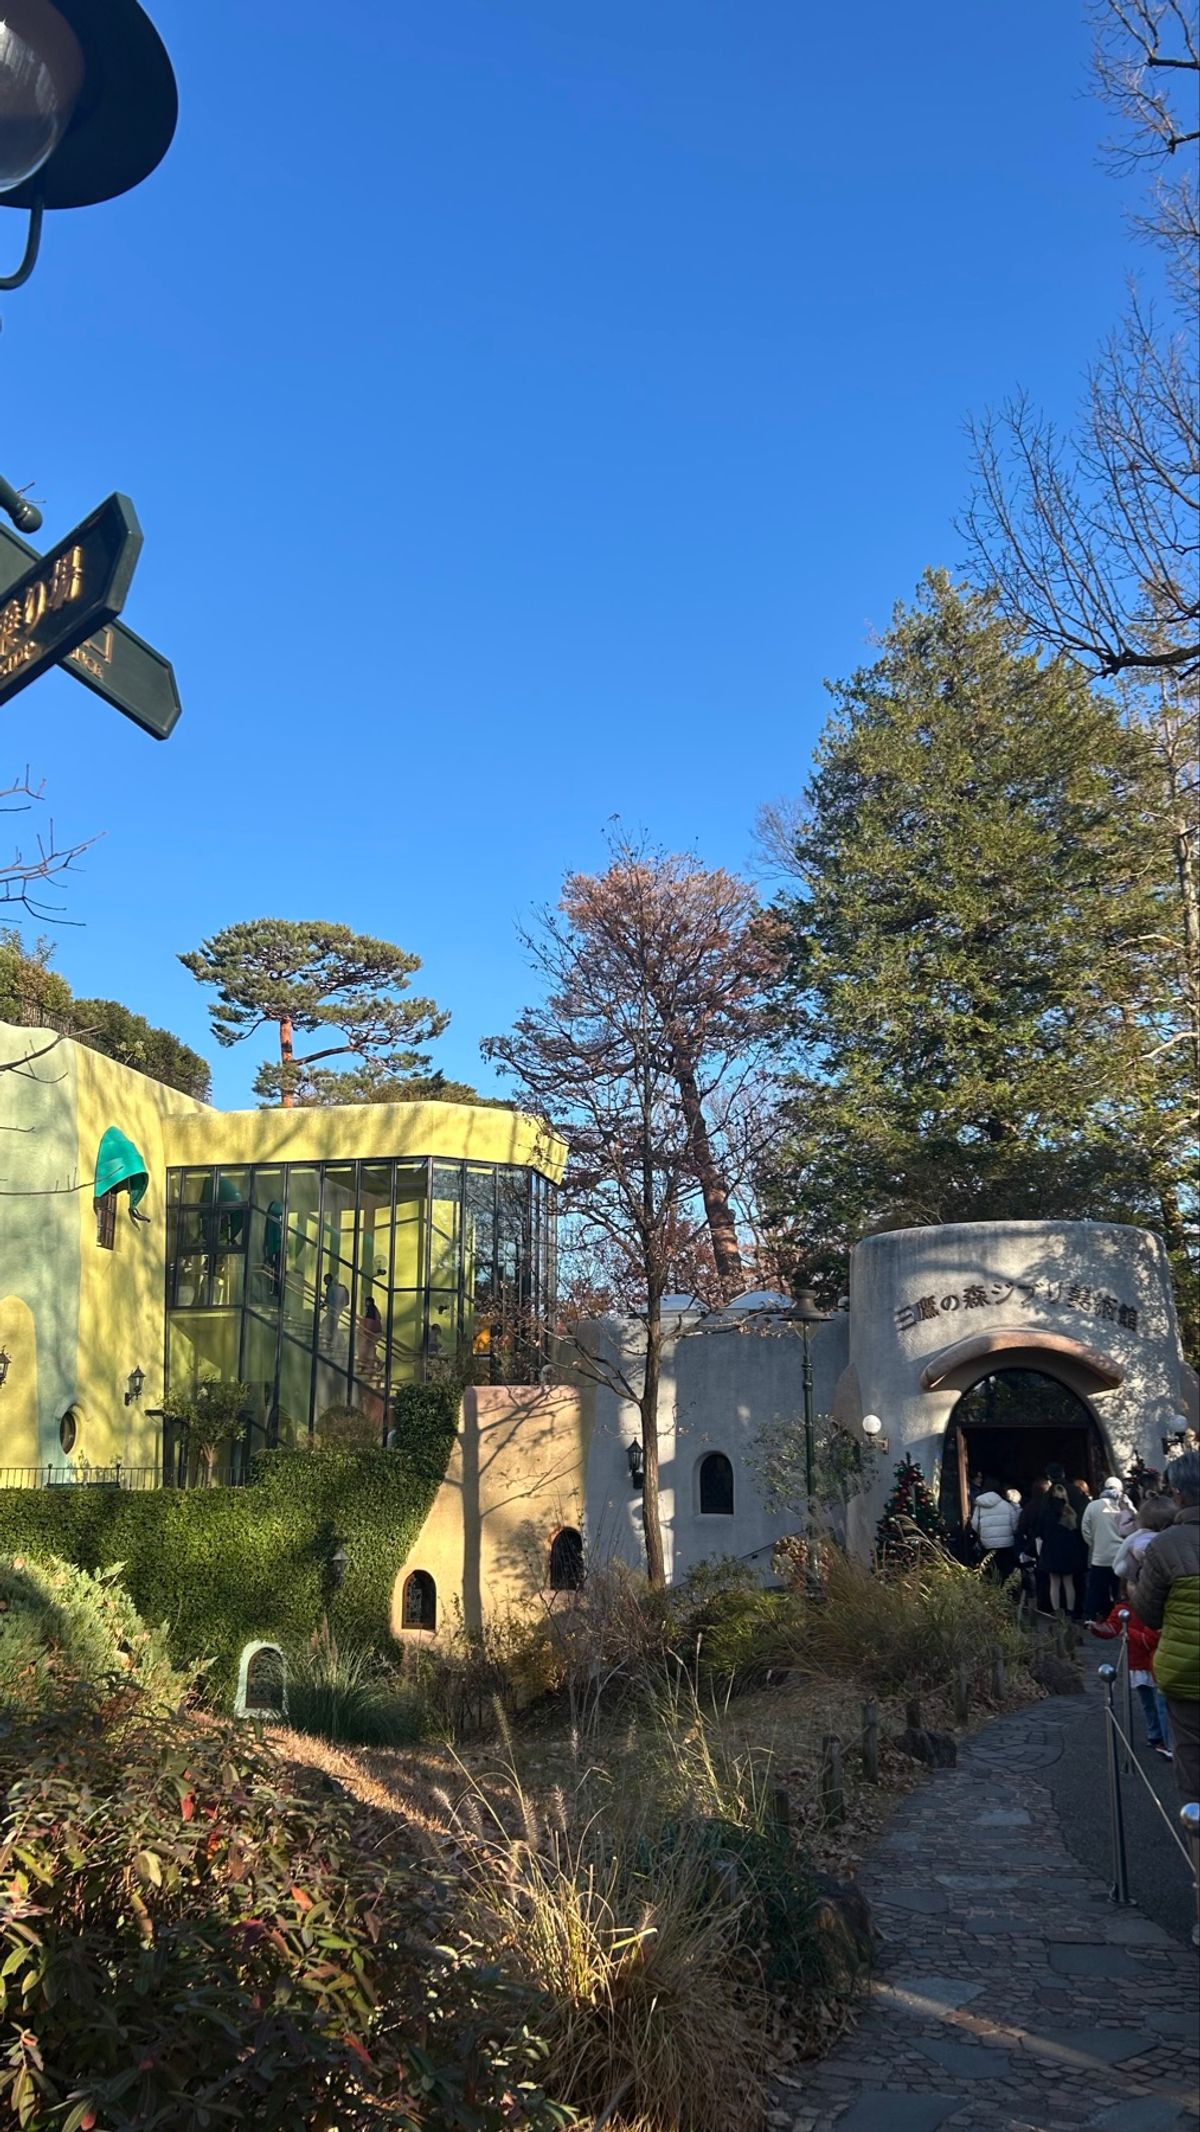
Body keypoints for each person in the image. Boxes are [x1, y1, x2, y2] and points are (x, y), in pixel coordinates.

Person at [1128, 1449, 1200, 1854]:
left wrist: (1133, 1591)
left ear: (1180, 1496)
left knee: (1193, 1779)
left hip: (1187, 1678)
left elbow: (1150, 1614)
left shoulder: (1165, 1545)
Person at [1089, 1600, 1171, 1757]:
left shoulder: (1154, 1606)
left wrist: (1130, 1634)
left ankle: (1167, 1741)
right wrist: (1095, 1628)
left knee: (1162, 1704)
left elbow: (1151, 1639)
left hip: (1158, 1660)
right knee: (1148, 1703)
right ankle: (1155, 1734)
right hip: (1138, 1662)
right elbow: (1112, 1628)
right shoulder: (1123, 1608)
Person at [1081, 1477, 1130, 1623]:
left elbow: (1085, 1529)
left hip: (1100, 1555)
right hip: (1121, 1555)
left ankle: (1090, 1616)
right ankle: (1120, 1617)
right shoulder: (1124, 1506)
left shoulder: (1092, 1506)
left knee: (1095, 1588)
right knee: (1120, 1590)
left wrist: (1094, 1544)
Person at [1038, 1484, 1079, 1616]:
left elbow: (1041, 1531)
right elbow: (1075, 1531)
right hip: (1068, 1549)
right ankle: (1070, 1610)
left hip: (1051, 1549)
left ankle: (1057, 1611)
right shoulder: (1070, 1512)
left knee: (1054, 1582)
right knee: (1068, 1582)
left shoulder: (1046, 1512)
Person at [970, 1479, 1020, 1581]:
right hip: (1006, 1545)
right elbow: (1015, 1527)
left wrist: (984, 1534)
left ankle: (990, 1593)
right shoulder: (1007, 1506)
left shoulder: (979, 1507)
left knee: (989, 1572)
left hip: (987, 1545)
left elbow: (974, 1525)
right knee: (1005, 1572)